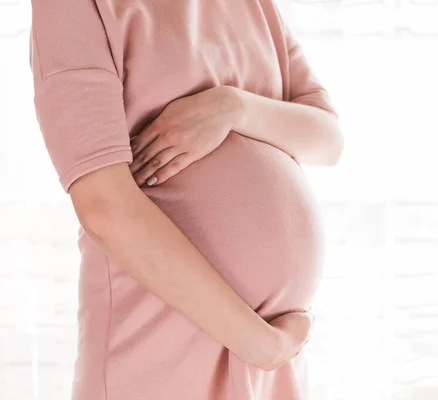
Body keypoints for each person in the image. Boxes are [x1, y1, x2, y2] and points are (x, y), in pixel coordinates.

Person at [28, 0, 343, 399]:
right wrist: (258, 343)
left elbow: (327, 140)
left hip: (268, 358)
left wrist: (232, 107)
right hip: (163, 347)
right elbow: (103, 205)